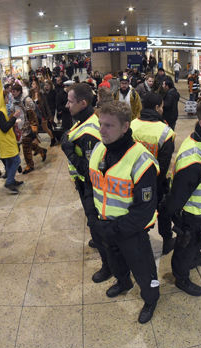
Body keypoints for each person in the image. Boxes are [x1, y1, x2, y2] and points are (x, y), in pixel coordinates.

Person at [82, 101, 160, 324]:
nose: (102, 131)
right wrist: (92, 219)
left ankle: (151, 299)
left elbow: (143, 211)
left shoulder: (141, 161)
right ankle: (123, 282)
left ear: (125, 127)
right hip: (103, 225)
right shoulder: (98, 149)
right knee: (115, 263)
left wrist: (111, 228)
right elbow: (90, 186)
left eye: (109, 126)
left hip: (131, 232)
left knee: (144, 272)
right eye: (100, 124)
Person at [159, 97, 201, 298]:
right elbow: (176, 197)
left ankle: (194, 258)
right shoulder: (196, 161)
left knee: (197, 239)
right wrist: (169, 214)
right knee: (185, 246)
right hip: (190, 215)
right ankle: (181, 277)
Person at [60, 83, 110, 284]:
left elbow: (91, 173)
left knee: (96, 224)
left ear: (83, 103)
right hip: (83, 185)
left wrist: (69, 151)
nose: (66, 105)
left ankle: (108, 266)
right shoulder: (85, 119)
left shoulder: (90, 131)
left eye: (70, 102)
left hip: (91, 187)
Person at [131, 92, 176, 254]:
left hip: (132, 181)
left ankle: (139, 243)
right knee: (164, 212)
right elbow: (163, 166)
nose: (163, 109)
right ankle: (166, 240)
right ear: (157, 108)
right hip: (155, 183)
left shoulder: (132, 125)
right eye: (162, 107)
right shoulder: (165, 131)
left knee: (137, 214)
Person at [10, 84, 47, 174]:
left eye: (14, 91)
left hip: (27, 128)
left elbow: (32, 115)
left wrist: (34, 127)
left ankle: (30, 165)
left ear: (19, 91)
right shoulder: (14, 101)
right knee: (28, 144)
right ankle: (41, 151)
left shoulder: (26, 100)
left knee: (25, 147)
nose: (12, 93)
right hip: (19, 127)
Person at [31, 80, 57, 147]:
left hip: (41, 113)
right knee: (34, 130)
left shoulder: (41, 93)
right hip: (34, 114)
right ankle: (36, 146)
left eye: (33, 84)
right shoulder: (31, 94)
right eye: (32, 84)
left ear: (37, 85)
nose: (32, 85)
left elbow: (46, 105)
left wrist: (49, 115)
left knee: (45, 128)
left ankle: (52, 138)